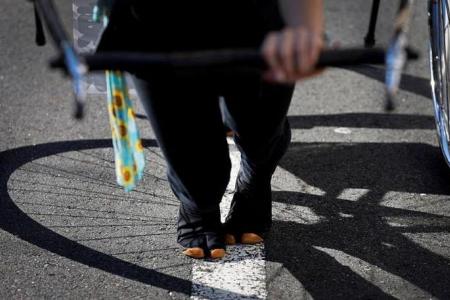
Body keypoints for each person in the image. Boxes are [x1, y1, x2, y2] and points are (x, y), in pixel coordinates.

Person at [96, 0, 324, 259]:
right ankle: (199, 204)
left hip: (259, 13)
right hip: (155, 18)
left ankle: (254, 177)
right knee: (189, 150)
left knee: (260, 129)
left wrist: (307, 26)